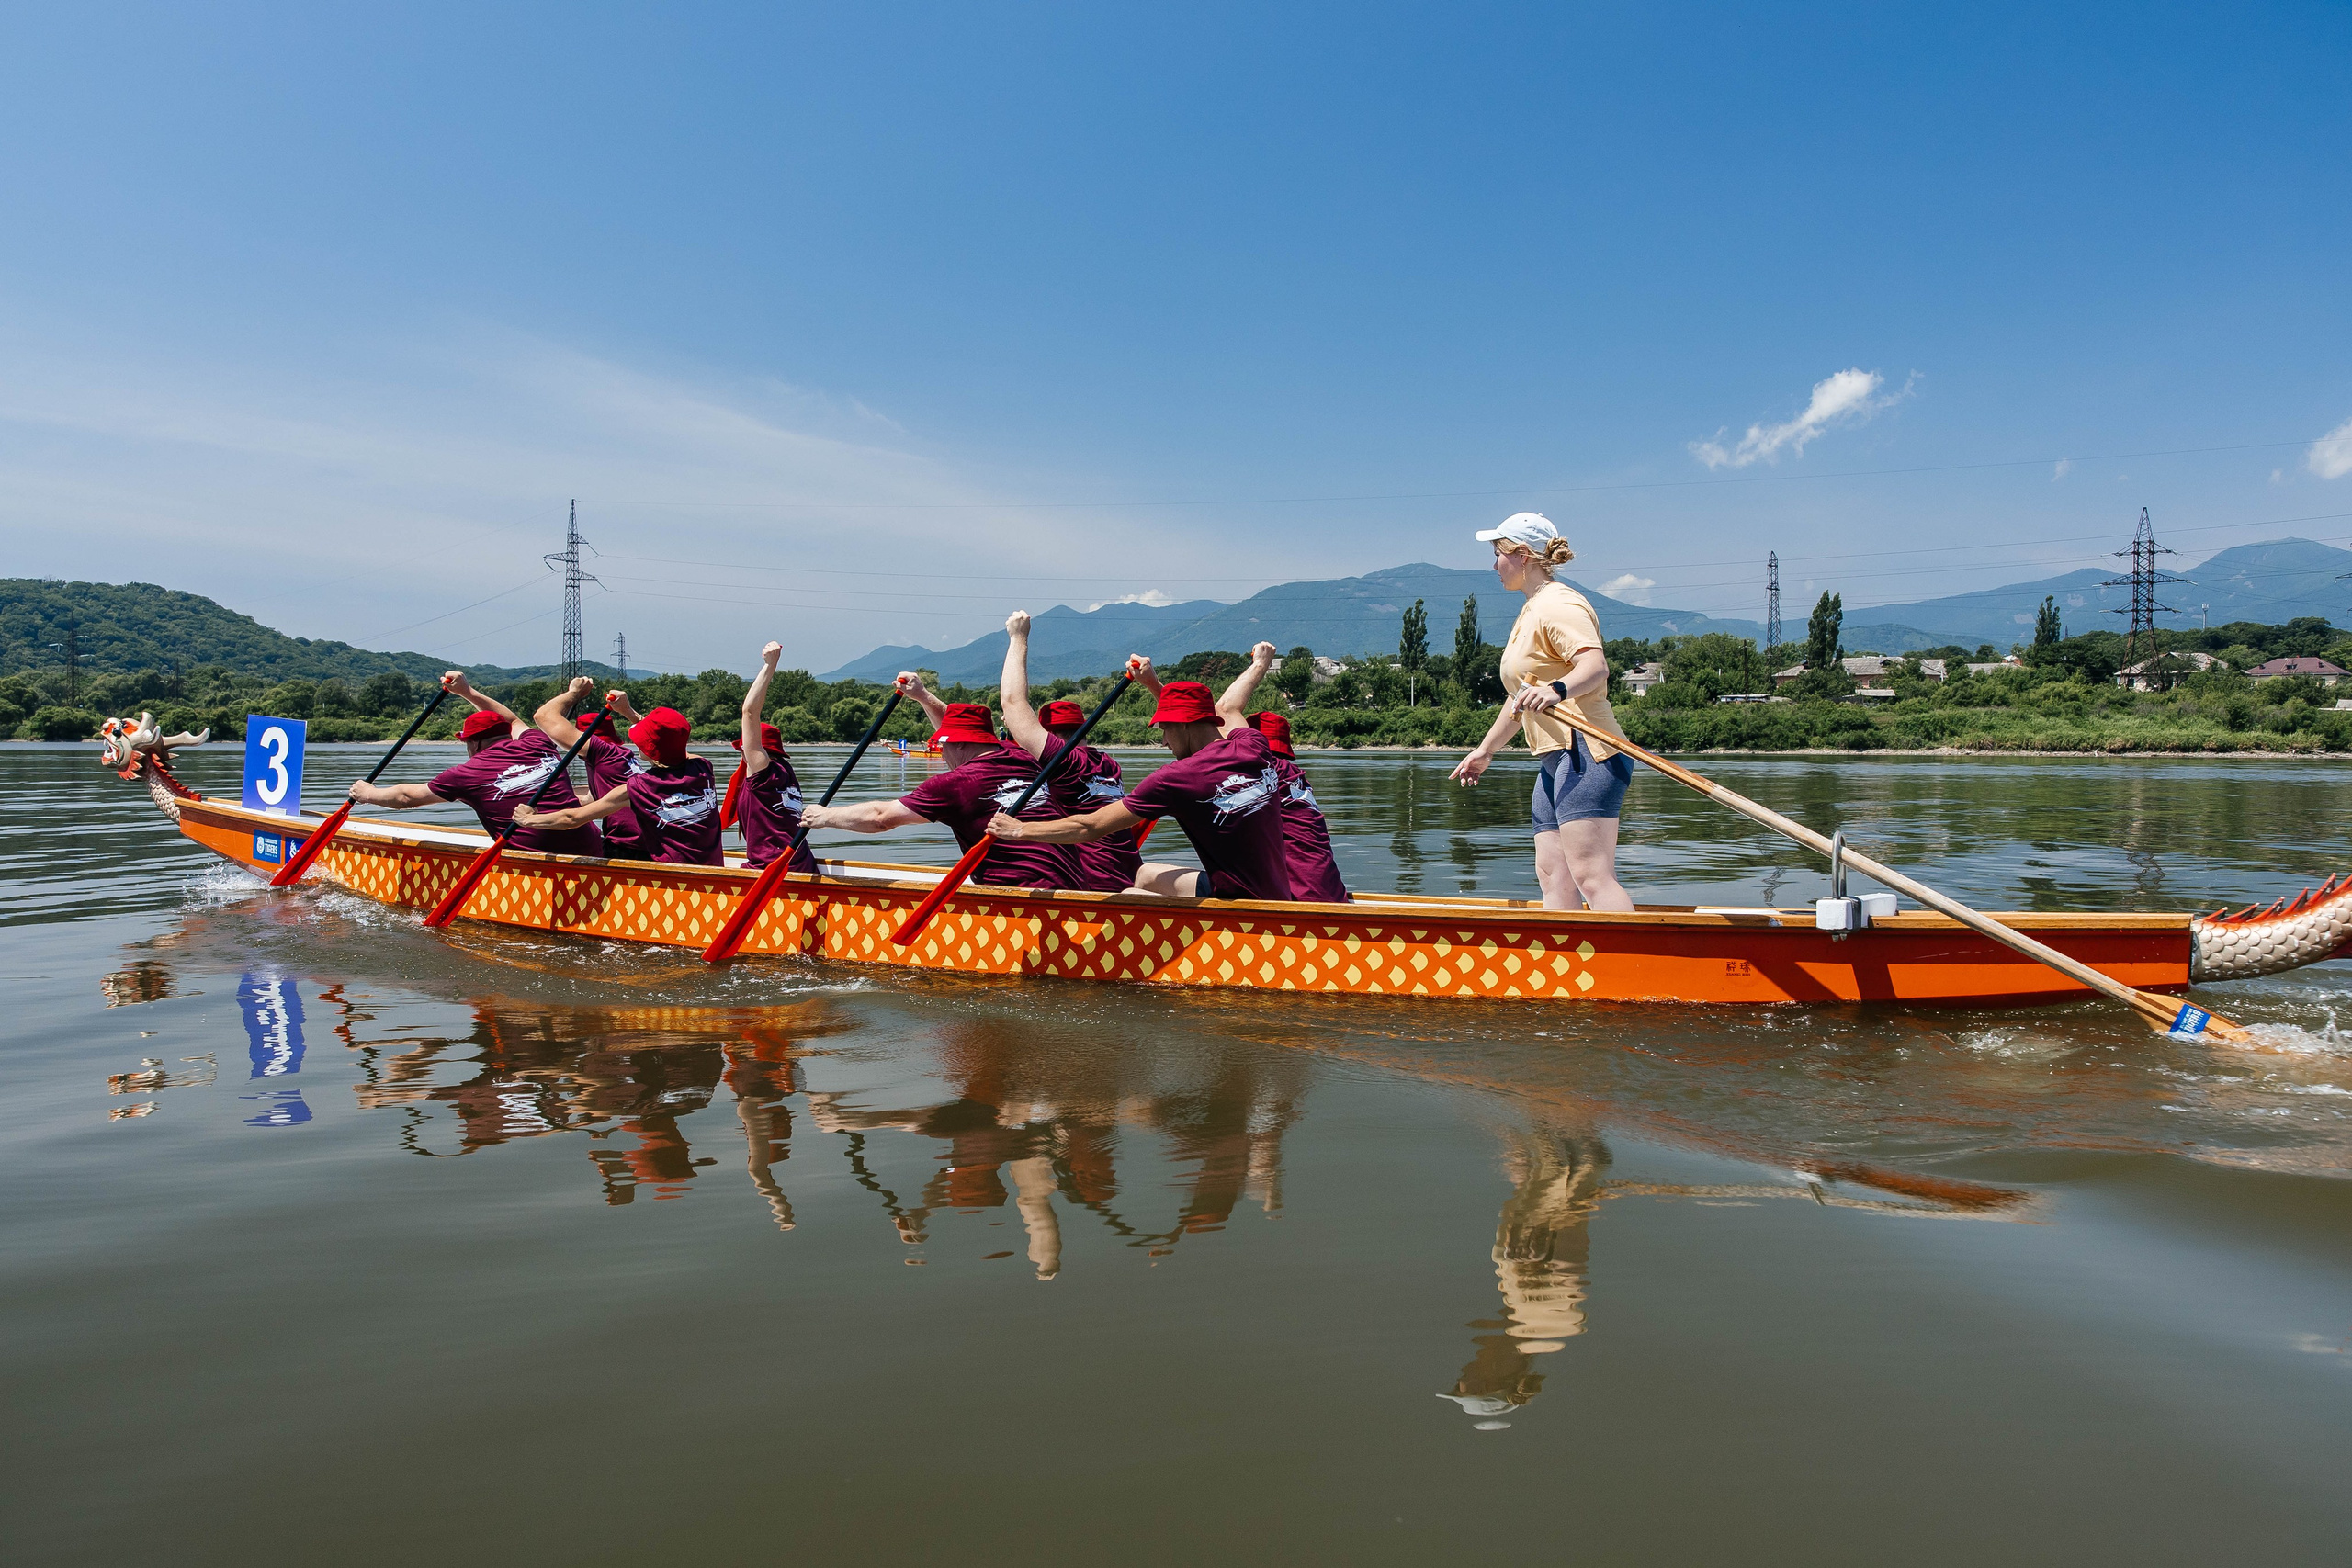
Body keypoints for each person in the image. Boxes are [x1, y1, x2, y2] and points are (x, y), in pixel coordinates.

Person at [1448, 512, 1634, 912]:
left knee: (1591, 875)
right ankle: (1567, 966)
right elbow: (1520, 697)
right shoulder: (1531, 609)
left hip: (1589, 751)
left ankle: (1636, 966)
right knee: (1553, 875)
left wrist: (1558, 690)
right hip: (1555, 756)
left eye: (1496, 554)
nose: (1493, 565)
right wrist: (1486, 751)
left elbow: (1594, 666)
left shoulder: (1560, 603)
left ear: (1521, 554)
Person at [987, 669, 1294, 902]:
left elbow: (1089, 828)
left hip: (1241, 900)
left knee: (1141, 880)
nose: (1163, 741)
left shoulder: (1178, 777)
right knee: (1146, 873)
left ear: (1183, 725)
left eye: (1164, 729)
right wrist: (1153, 682)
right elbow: (1230, 710)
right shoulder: (1254, 744)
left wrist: (1019, 830)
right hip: (1277, 892)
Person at [798, 688, 1082, 889]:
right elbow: (956, 724)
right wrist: (923, 695)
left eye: (943, 745)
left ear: (958, 744)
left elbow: (881, 817)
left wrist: (825, 817)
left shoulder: (956, 784)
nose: (941, 753)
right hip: (1074, 883)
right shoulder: (1023, 756)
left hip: (1019, 894)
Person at [345, 670, 605, 856]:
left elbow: (406, 797)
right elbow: (513, 720)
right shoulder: (536, 742)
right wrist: (467, 691)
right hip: (593, 847)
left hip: (538, 861)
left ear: (473, 744)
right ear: (504, 734)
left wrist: (367, 794)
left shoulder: (467, 773)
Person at [995, 610, 1141, 893]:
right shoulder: (1108, 765)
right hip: (1127, 879)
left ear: (1047, 734)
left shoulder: (1064, 760)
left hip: (1087, 889)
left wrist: (1018, 637)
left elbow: (1013, 704)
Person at [1211, 642, 1349, 902]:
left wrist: (1261, 664)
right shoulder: (1295, 777)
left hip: (1300, 903)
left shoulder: (1261, 769)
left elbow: (1223, 710)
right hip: (1330, 895)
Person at [513, 705, 723, 864]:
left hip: (673, 881)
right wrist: (629, 710)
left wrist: (528, 819)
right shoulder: (703, 767)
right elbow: (676, 747)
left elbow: (572, 819)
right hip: (713, 869)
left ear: (648, 750)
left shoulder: (637, 788)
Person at [536, 677, 650, 860]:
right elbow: (594, 798)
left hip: (629, 847)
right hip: (647, 842)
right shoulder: (623, 755)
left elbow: (543, 717)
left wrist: (574, 693)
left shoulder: (602, 753)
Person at [729, 641, 817, 874]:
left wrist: (770, 665)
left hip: (772, 870)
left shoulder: (763, 772)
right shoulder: (787, 773)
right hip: (803, 864)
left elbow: (749, 713)